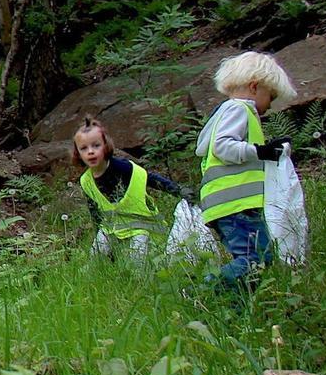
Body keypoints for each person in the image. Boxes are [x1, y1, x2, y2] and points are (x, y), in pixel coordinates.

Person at [195, 50, 297, 290]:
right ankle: (204, 291)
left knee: (252, 260)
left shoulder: (223, 113)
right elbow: (223, 147)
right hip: (237, 204)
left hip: (225, 204)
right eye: (270, 97)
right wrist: (259, 151)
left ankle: (234, 307)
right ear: (254, 86)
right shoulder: (239, 109)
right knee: (257, 259)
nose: (269, 106)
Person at [72, 115, 188, 261]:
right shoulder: (86, 181)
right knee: (95, 257)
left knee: (137, 263)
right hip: (112, 227)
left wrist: (179, 190)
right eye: (84, 148)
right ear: (78, 153)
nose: (90, 151)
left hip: (143, 227)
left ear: (106, 146)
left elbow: (151, 179)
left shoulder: (123, 167)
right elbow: (95, 213)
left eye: (96, 145)